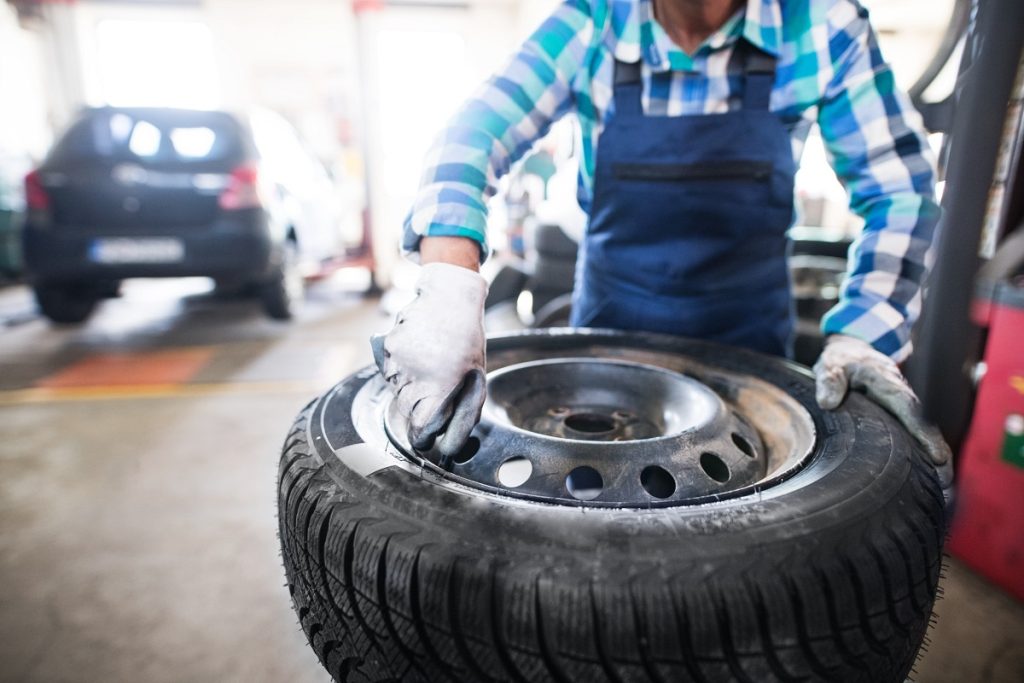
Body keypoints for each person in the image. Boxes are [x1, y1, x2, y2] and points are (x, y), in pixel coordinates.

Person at [372, 0, 952, 487]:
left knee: (748, 533)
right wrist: (447, 286)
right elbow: (474, 136)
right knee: (587, 513)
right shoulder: (594, 21)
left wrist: (864, 336)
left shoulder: (822, 23)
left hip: (750, 342)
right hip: (608, 335)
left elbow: (900, 189)